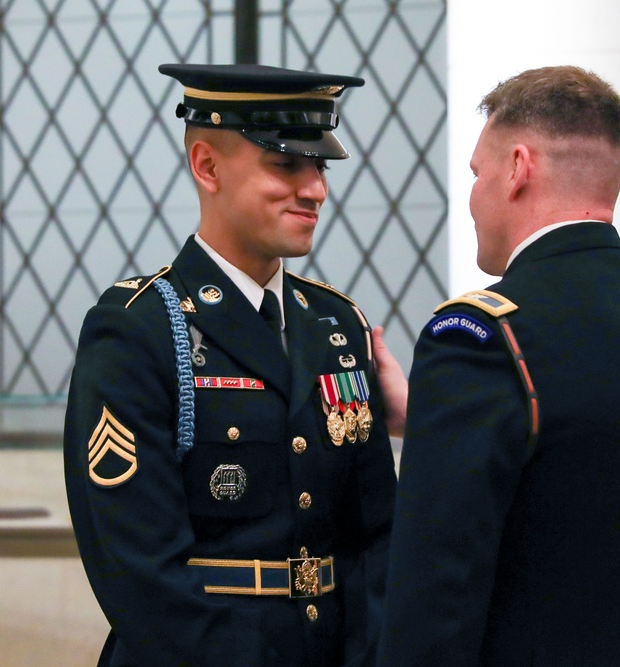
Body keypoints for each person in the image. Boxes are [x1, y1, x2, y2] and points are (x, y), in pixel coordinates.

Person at [374, 66, 620, 666]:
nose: (472, 195)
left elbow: (437, 590)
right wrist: (432, 418)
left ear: (518, 168)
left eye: (476, 173)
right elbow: (593, 452)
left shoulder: (484, 335)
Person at [63, 63, 397, 667]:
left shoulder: (336, 325)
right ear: (207, 166)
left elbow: (376, 534)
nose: (316, 189)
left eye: (319, 166)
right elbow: (138, 568)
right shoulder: (139, 327)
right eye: (286, 164)